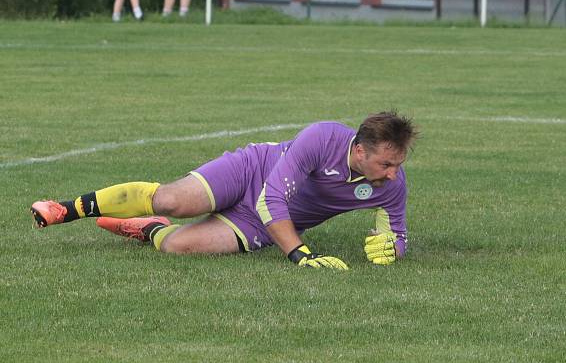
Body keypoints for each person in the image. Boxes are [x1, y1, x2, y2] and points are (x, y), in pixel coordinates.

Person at [30, 111, 418, 270]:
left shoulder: (390, 186)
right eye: (386, 163)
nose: (392, 173)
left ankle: (147, 228)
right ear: (360, 150)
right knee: (173, 200)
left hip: (260, 222)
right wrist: (301, 254)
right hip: (249, 173)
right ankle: (66, 208)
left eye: (398, 163)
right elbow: (273, 198)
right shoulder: (322, 137)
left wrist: (391, 247)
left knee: (176, 246)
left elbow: (396, 234)